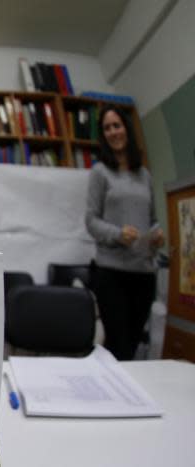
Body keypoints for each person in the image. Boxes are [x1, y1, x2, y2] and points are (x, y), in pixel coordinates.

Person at [85, 105, 163, 360]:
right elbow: (91, 220)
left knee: (131, 347)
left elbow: (152, 220)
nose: (112, 132)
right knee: (117, 345)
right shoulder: (100, 172)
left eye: (116, 125)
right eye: (107, 128)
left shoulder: (145, 176)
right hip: (111, 274)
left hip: (143, 273)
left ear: (126, 129)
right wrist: (118, 234)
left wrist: (157, 235)